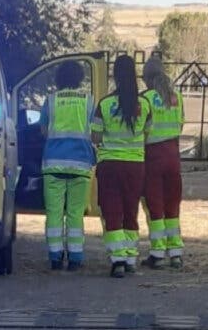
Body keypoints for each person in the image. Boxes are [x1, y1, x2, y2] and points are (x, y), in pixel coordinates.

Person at [91, 55, 151, 278]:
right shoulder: (144, 105)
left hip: (109, 165)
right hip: (135, 165)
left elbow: (95, 137)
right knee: (130, 211)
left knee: (112, 211)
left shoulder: (105, 105)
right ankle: (130, 257)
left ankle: (117, 260)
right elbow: (147, 132)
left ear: (115, 75)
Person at [39, 61, 96, 271]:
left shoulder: (51, 101)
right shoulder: (88, 102)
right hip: (80, 165)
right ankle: (75, 257)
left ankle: (55, 256)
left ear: (59, 78)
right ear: (80, 78)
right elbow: (95, 130)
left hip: (53, 164)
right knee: (75, 213)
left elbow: (43, 130)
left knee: (54, 213)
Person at [140, 57, 185, 269]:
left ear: (147, 78)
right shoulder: (177, 97)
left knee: (155, 206)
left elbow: (142, 128)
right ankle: (176, 253)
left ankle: (157, 254)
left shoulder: (146, 98)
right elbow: (181, 125)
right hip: (174, 156)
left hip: (153, 157)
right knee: (173, 205)